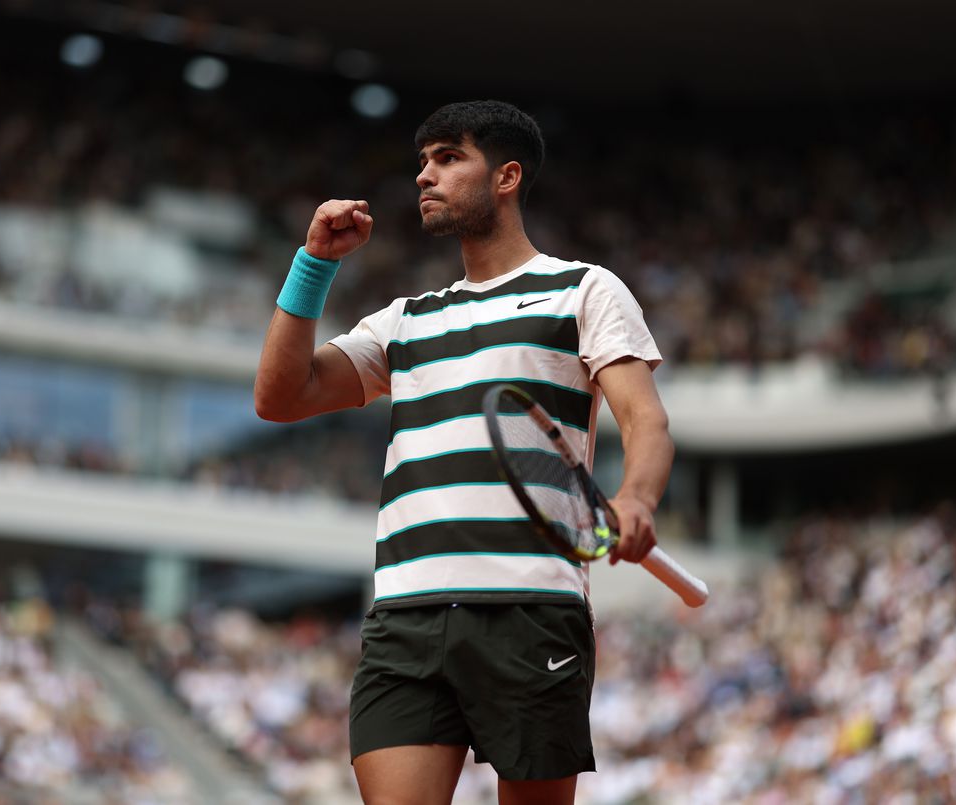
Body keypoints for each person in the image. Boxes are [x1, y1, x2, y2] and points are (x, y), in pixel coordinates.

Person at [254, 100, 673, 805]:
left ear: (506, 177)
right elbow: (280, 396)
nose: (425, 175)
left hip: (530, 608)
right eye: (423, 161)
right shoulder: (405, 320)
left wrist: (636, 497)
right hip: (405, 616)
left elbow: (645, 418)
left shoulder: (584, 289)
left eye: (448, 158)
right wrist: (313, 265)